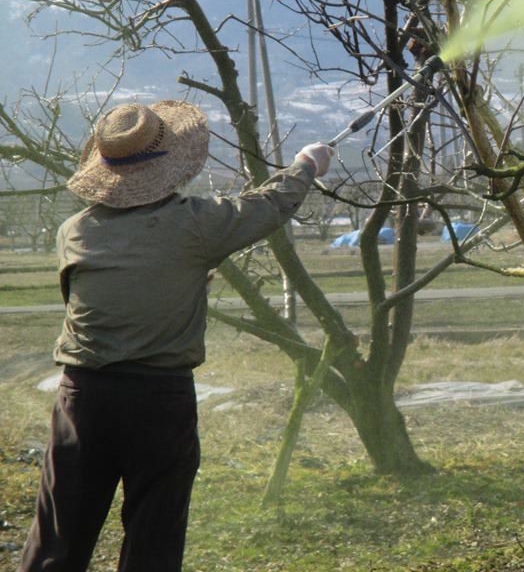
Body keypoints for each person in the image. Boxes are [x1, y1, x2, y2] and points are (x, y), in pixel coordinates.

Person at [18, 100, 334, 572]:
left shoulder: (73, 231)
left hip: (83, 398)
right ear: (168, 166)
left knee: (57, 542)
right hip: (159, 401)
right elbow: (267, 206)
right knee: (154, 542)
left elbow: (102, 298)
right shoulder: (194, 224)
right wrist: (306, 164)